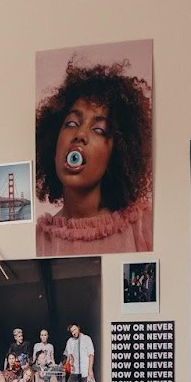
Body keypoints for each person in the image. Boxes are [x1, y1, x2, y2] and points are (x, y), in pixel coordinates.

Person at [34, 57, 154, 255]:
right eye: (72, 124)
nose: (80, 135)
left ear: (116, 154)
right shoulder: (38, 240)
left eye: (99, 130)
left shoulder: (142, 225)